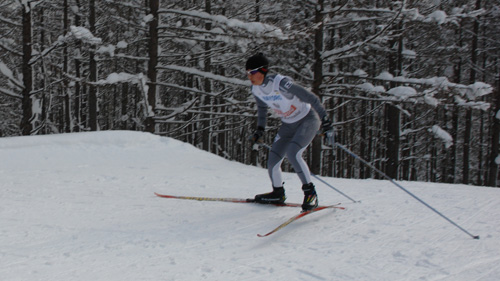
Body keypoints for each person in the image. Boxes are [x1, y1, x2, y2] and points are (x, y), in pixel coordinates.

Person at [246, 53, 334, 211]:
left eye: (252, 72)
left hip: (307, 120)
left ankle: (310, 193)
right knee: (273, 161)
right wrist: (260, 129)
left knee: (294, 153)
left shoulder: (281, 83)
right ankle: (278, 193)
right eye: (247, 72)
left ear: (263, 70)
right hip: (288, 125)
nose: (249, 76)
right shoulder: (256, 89)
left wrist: (325, 120)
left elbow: (310, 97)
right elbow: (262, 109)